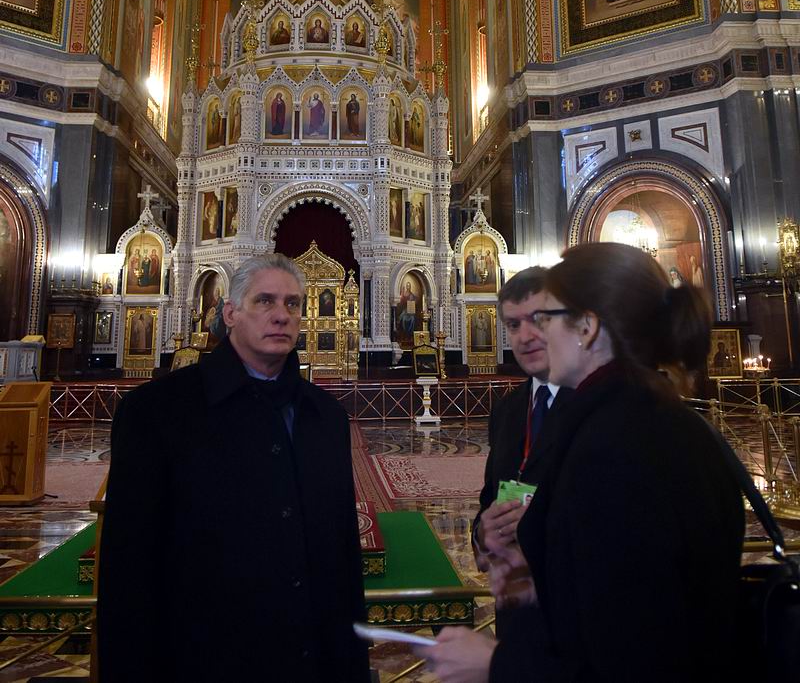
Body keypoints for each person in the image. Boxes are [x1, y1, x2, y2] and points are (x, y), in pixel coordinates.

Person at [427, 242, 744, 683]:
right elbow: (632, 592)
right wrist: (546, 585)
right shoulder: (663, 418)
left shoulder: (613, 447)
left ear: (587, 328)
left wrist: (495, 664)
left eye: (547, 317)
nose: (535, 335)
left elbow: (637, 660)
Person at [98, 254, 370, 683]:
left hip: (308, 659)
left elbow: (341, 557)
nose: (282, 315)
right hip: (204, 658)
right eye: (265, 301)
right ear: (230, 313)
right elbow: (128, 570)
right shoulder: (155, 412)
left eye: (293, 304)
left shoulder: (327, 418)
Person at [472, 266, 572, 643]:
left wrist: (535, 532)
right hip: (516, 618)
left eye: (539, 320)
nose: (525, 336)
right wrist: (483, 536)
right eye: (513, 325)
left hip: (576, 621)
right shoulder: (509, 410)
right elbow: (490, 498)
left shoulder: (598, 405)